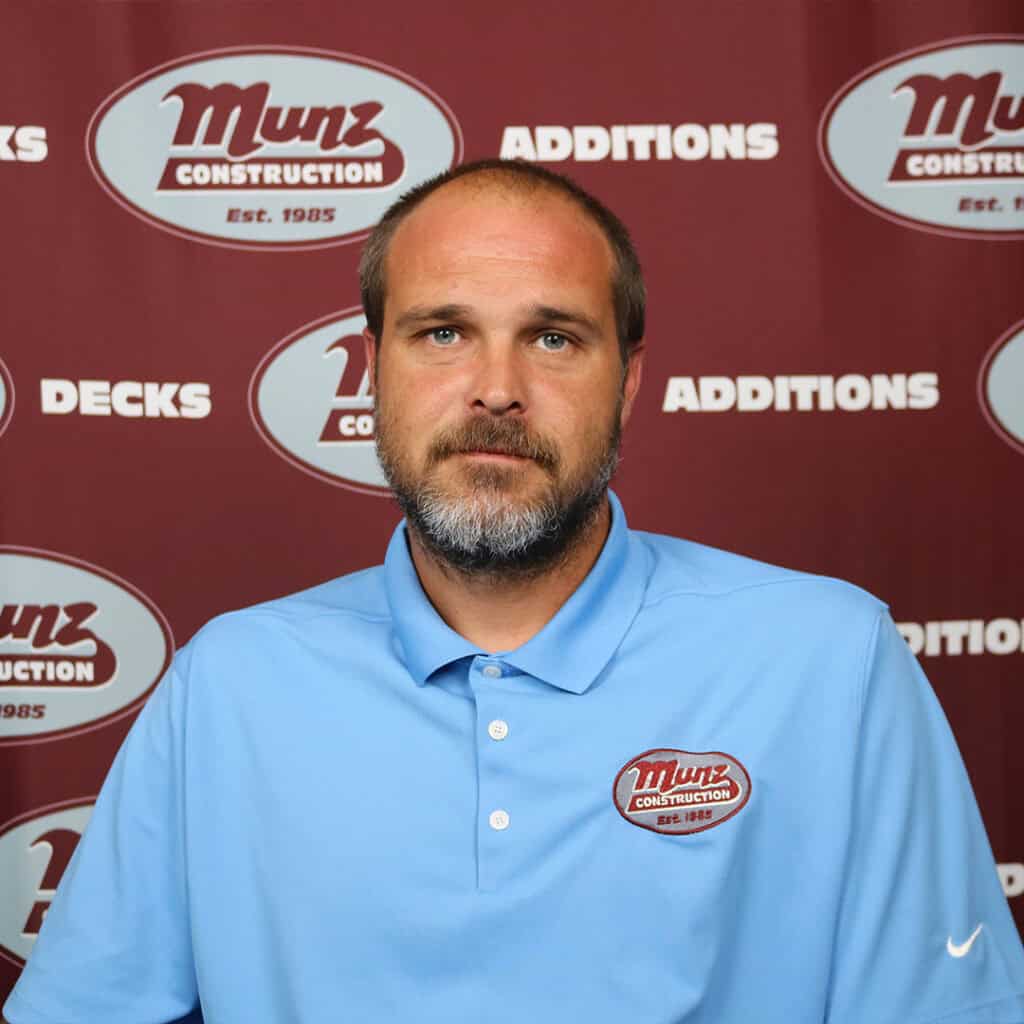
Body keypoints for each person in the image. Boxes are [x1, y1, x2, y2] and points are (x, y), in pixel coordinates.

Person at [4, 159, 1023, 1024]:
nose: (496, 387)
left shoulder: (829, 662)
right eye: (443, 332)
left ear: (626, 383)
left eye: (553, 337)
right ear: (373, 372)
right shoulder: (227, 687)